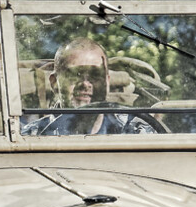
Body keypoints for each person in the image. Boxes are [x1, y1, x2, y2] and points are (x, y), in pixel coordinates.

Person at [22, 37, 154, 136]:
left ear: (107, 82)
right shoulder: (32, 136)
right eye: (75, 75)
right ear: (54, 83)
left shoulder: (134, 131)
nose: (85, 83)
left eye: (95, 75)